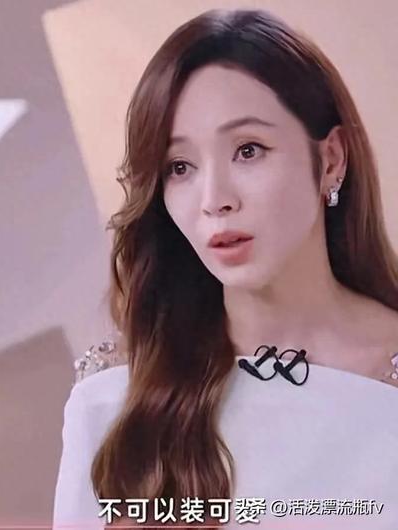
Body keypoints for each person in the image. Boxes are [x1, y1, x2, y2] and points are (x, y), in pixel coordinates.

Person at [52, 7, 398, 530]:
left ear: (331, 159)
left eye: (248, 150)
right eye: (180, 167)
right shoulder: (118, 394)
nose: (214, 199)